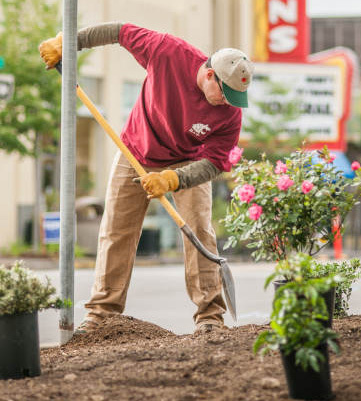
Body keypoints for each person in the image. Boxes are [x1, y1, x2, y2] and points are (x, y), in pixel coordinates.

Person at [39, 22, 254, 335]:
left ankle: (210, 317)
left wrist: (173, 180)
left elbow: (214, 163)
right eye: (226, 93)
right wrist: (69, 42)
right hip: (135, 152)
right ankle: (101, 316)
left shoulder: (230, 113)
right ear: (210, 75)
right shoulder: (168, 51)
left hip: (187, 162)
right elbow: (119, 31)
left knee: (200, 232)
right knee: (116, 230)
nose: (229, 102)